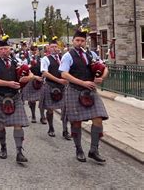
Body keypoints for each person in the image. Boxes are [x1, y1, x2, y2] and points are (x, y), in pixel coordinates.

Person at [59, 28, 109, 163]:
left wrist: (101, 78)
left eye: (82, 41)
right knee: (76, 122)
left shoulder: (91, 54)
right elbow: (64, 74)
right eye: (77, 40)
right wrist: (82, 82)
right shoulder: (67, 56)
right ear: (73, 41)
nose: (80, 43)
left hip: (90, 91)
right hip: (74, 90)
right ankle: (79, 149)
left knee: (98, 118)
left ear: (85, 42)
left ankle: (94, 150)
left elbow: (104, 68)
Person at [0, 34, 33, 163]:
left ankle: (19, 152)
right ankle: (3, 147)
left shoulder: (16, 62)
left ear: (10, 49)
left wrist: (27, 78)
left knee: (18, 124)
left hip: (15, 96)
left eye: (6, 49)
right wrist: (8, 83)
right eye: (1, 49)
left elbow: (29, 74)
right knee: (0, 126)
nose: (4, 51)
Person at [40, 36, 71, 140]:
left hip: (63, 87)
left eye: (56, 47)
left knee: (65, 110)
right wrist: (58, 80)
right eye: (52, 47)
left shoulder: (63, 58)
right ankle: (51, 127)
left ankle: (65, 130)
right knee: (50, 109)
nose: (54, 48)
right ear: (48, 48)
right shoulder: (45, 59)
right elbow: (44, 73)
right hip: (50, 86)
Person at [21, 44, 44, 124]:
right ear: (30, 51)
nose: (35, 51)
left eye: (36, 50)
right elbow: (25, 70)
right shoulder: (26, 59)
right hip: (30, 80)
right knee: (32, 100)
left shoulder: (42, 59)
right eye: (33, 50)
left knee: (42, 99)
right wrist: (34, 77)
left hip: (40, 80)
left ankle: (42, 116)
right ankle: (33, 115)